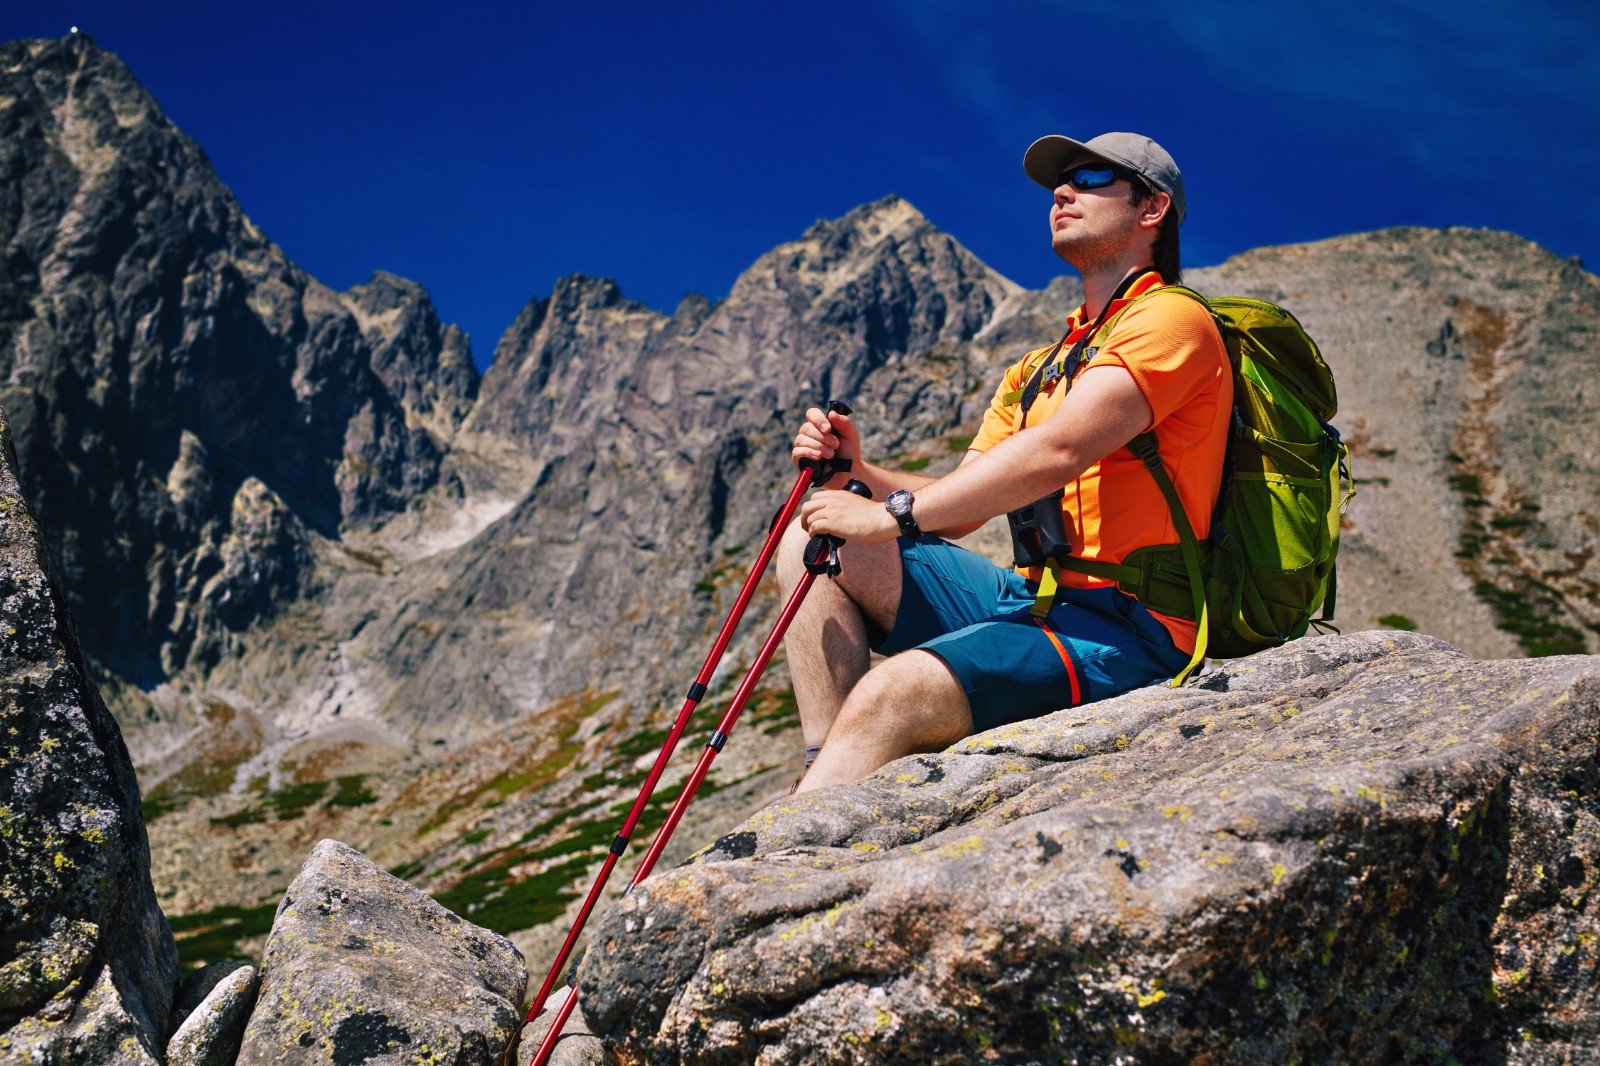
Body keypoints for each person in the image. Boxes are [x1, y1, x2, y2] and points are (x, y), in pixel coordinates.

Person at [777, 132, 1232, 794]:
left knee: (893, 692)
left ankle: (801, 843)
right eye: (1060, 181)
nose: (1063, 191)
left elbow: (1059, 451)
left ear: (1151, 209)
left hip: (1133, 628)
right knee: (813, 535)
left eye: (1093, 176)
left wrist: (890, 514)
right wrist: (863, 473)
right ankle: (826, 770)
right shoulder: (1040, 367)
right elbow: (962, 499)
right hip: (1035, 601)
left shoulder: (1172, 320)